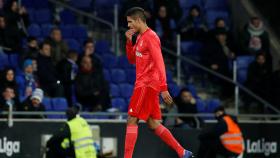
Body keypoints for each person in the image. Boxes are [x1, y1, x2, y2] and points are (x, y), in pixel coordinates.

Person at [124, 7, 193, 158]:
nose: (129, 26)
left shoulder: (151, 37)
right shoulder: (141, 37)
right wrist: (129, 42)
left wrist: (163, 87)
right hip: (146, 84)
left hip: (146, 84)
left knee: (132, 119)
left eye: (130, 22)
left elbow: (159, 62)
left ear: (138, 20)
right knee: (153, 124)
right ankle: (182, 152)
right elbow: (132, 60)